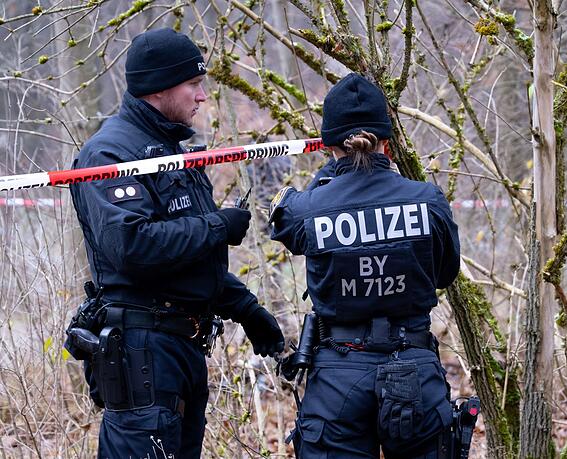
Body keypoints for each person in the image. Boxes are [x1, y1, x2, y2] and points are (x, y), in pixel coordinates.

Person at [68, 28, 285, 458]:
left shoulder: (174, 153)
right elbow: (133, 247)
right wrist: (219, 225)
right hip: (143, 355)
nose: (202, 96)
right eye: (194, 84)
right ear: (160, 88)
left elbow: (188, 263)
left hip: (183, 350)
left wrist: (247, 309)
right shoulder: (110, 154)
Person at [270, 73, 461, 458]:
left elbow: (287, 221)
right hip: (414, 367)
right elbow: (445, 274)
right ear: (387, 143)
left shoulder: (308, 208)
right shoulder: (428, 200)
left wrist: (335, 173)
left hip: (338, 376)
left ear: (328, 146)